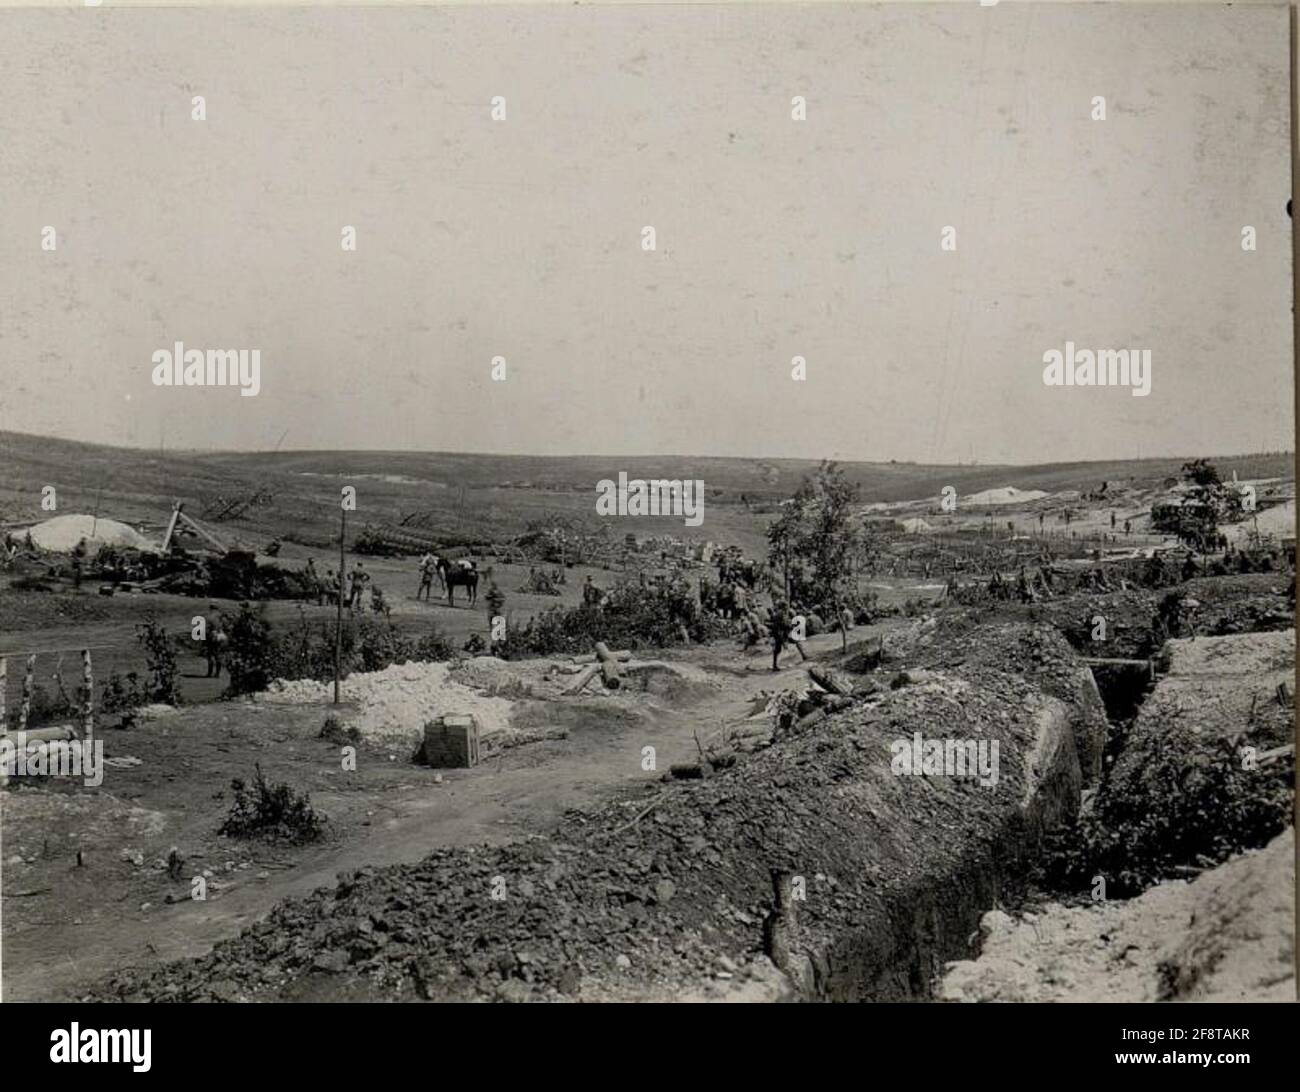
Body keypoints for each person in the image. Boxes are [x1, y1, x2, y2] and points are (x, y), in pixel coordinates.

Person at [769, 599, 807, 671]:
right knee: (795, 641)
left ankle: (774, 665)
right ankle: (804, 655)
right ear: (783, 606)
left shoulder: (778, 613)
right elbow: (784, 623)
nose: (787, 607)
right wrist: (791, 625)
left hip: (779, 633)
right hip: (781, 633)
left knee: (777, 650)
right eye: (786, 606)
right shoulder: (781, 613)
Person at [204, 604, 226, 678]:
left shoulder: (209, 617)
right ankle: (217, 673)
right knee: (218, 655)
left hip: (211, 637)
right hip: (220, 636)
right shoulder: (220, 617)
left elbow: (206, 629)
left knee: (210, 654)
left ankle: (210, 673)